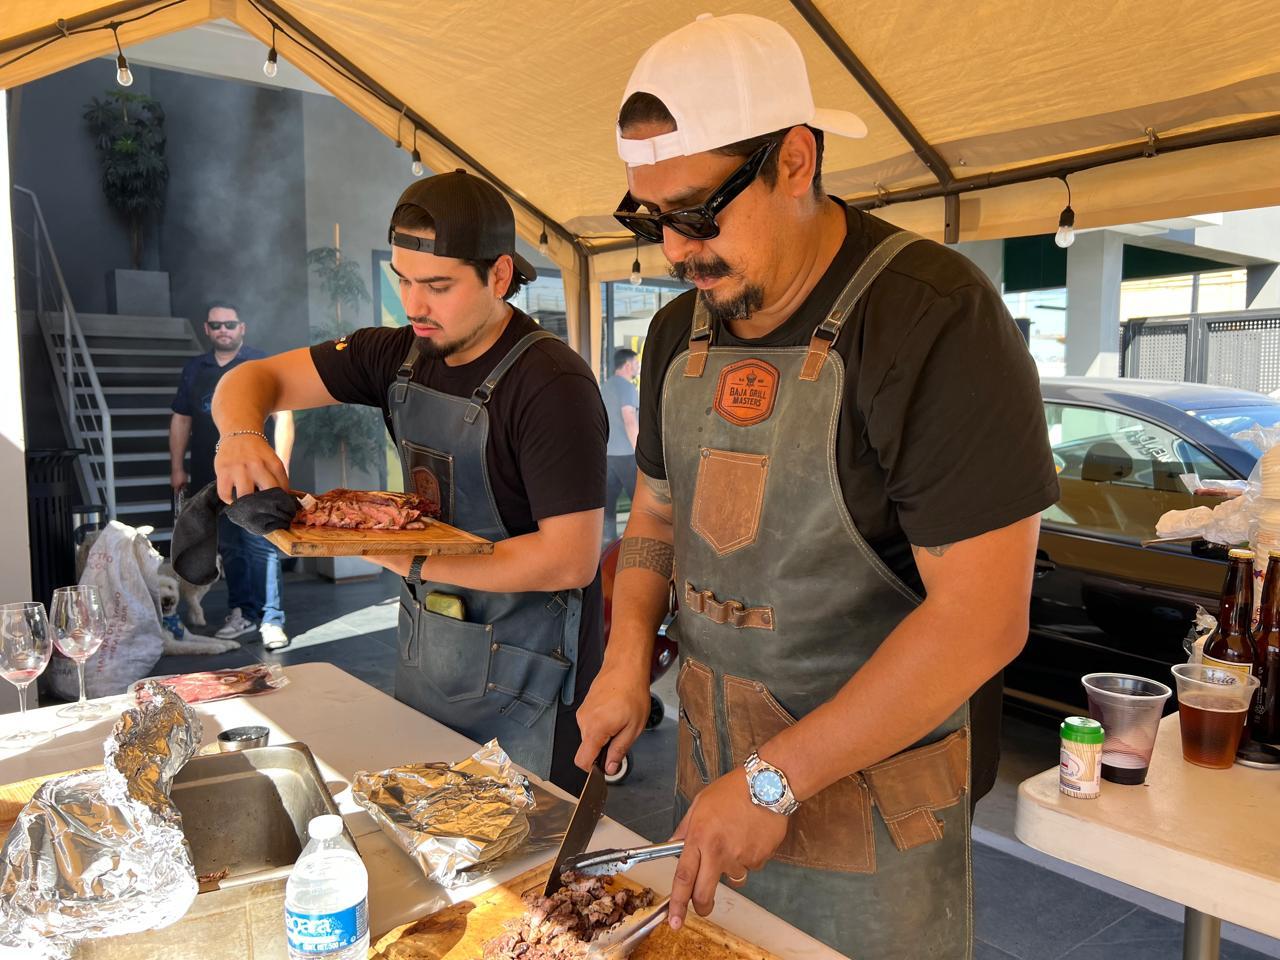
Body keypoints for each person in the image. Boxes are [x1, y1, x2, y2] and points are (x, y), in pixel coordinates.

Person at [573, 14, 1059, 958]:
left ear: (795, 159)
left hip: (875, 815)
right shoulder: (681, 333)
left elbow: (983, 618)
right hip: (714, 788)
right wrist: (627, 654)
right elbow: (658, 518)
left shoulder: (934, 320)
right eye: (649, 217)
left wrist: (774, 782)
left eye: (697, 212)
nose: (674, 249)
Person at [209, 171, 608, 792]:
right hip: (432, 648)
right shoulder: (397, 354)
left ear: (499, 277)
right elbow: (251, 380)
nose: (413, 306)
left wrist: (404, 556)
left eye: (438, 286)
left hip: (532, 679)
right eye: (404, 280)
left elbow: (569, 560)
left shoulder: (551, 385)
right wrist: (240, 435)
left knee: (530, 873)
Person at [170, 300, 293, 651]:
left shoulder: (258, 364)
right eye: (216, 325)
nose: (223, 330)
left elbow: (284, 416)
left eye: (230, 324)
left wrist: (280, 465)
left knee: (262, 547)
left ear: (242, 328)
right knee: (230, 548)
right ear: (207, 330)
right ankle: (242, 613)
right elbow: (181, 418)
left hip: (256, 477)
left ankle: (272, 620)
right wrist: (176, 466)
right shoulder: (195, 369)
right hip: (210, 478)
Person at [601, 348, 640, 543]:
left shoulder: (605, 386)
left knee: (608, 504)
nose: (638, 366)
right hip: (627, 454)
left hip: (607, 455)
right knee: (641, 503)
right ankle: (636, 542)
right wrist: (640, 451)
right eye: (636, 363)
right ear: (627, 365)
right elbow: (629, 418)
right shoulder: (627, 387)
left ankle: (607, 546)